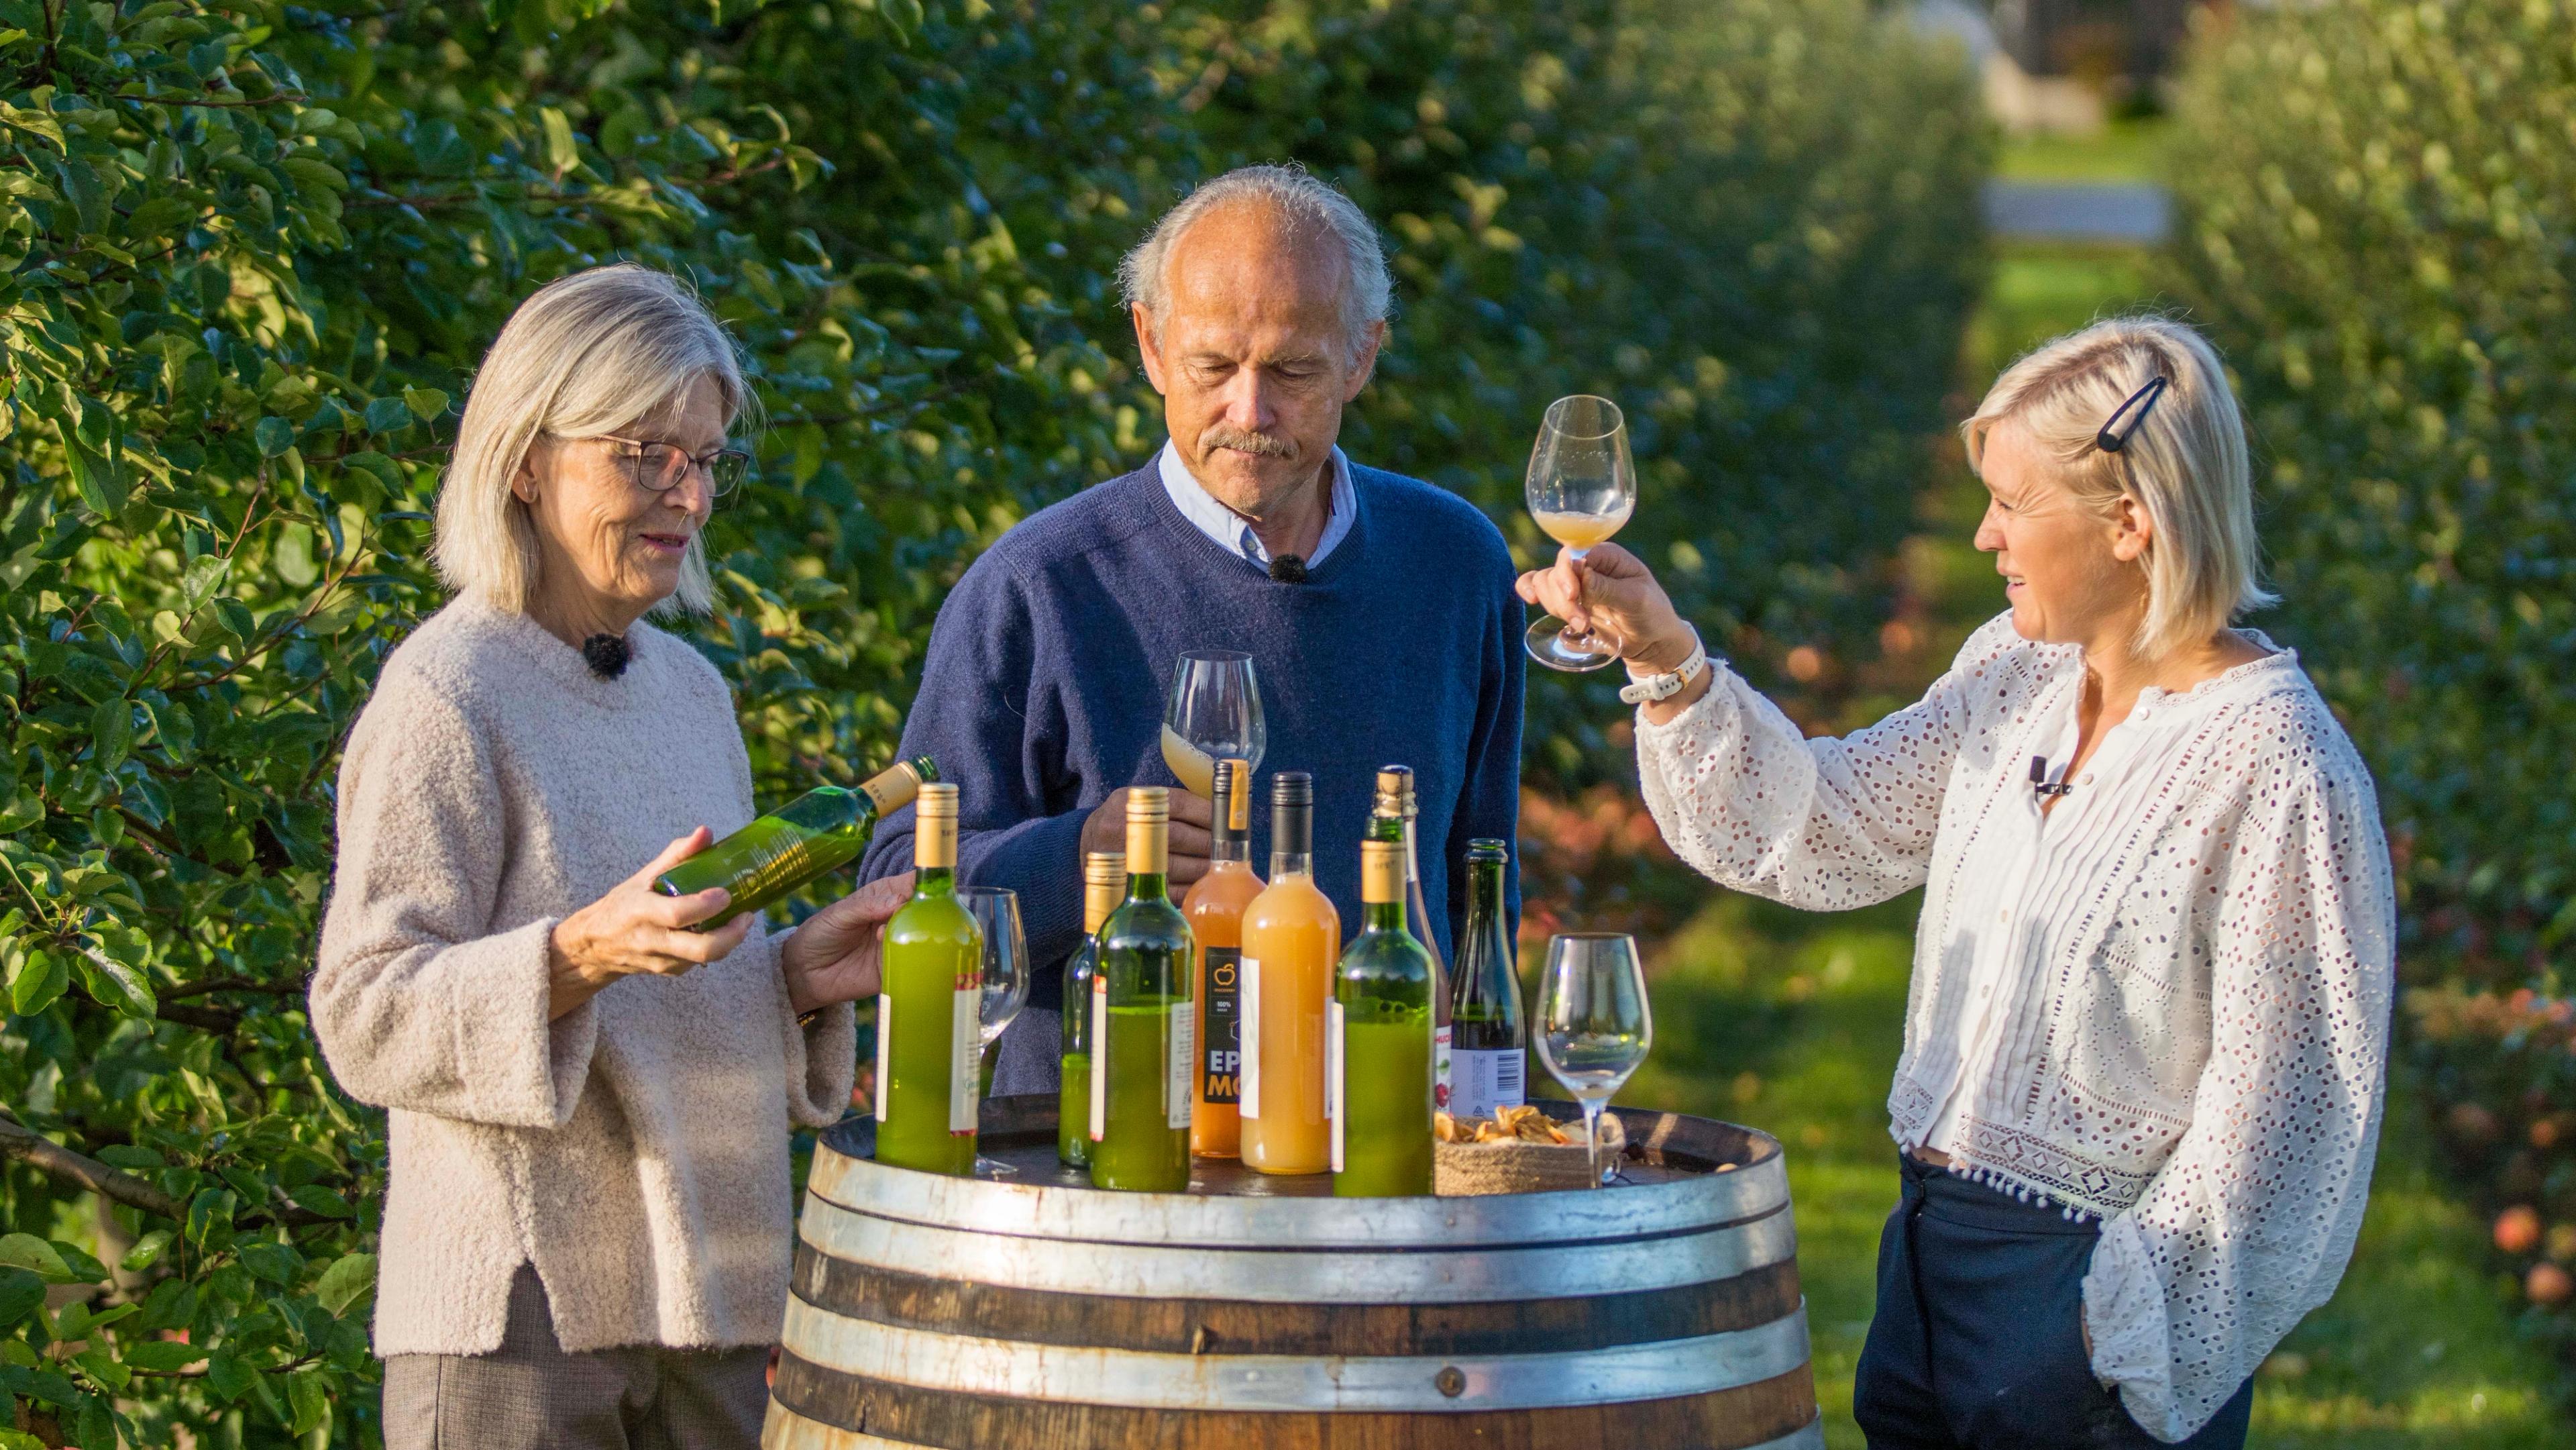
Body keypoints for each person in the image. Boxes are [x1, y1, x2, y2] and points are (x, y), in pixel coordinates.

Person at [1519, 317, 2394, 1448]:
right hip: (1925, 1264)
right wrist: (1666, 659)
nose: (1982, 534)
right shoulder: (2018, 674)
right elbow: (1821, 823)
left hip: (2084, 1316)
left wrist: (2107, 1338)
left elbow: (2285, 1125)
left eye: (2013, 504)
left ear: (2132, 521)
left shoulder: (2277, 763)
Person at [311, 264, 911, 1450]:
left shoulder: (692, 693)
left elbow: (667, 980)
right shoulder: (449, 691)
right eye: (643, 453)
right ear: (527, 460)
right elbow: (364, 1011)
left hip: (716, 1306)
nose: (684, 493)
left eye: (703, 458)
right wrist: (577, 952)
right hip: (521, 1323)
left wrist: (793, 980)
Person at [861, 164, 1523, 1092]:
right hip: (1100, 1172)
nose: (1248, 412)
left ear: (1363, 356)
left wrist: (1490, 1114)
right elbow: (890, 888)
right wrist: (1079, 858)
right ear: (1152, 345)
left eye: (1292, 370)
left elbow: (1482, 882)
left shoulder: (1455, 564)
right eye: (1214, 366)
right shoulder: (1039, 586)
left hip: (1385, 1147)